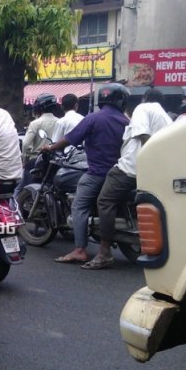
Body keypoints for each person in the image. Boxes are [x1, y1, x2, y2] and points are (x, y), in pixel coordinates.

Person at [82, 88, 173, 269]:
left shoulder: (143, 108)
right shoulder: (166, 117)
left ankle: (104, 253)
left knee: (104, 202)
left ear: (145, 98)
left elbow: (143, 135)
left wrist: (146, 160)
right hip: (150, 171)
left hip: (129, 169)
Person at [41, 83, 130, 264]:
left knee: (79, 206)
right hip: (120, 173)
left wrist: (50, 147)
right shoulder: (126, 121)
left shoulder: (93, 118)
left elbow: (70, 139)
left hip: (97, 173)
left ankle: (79, 249)